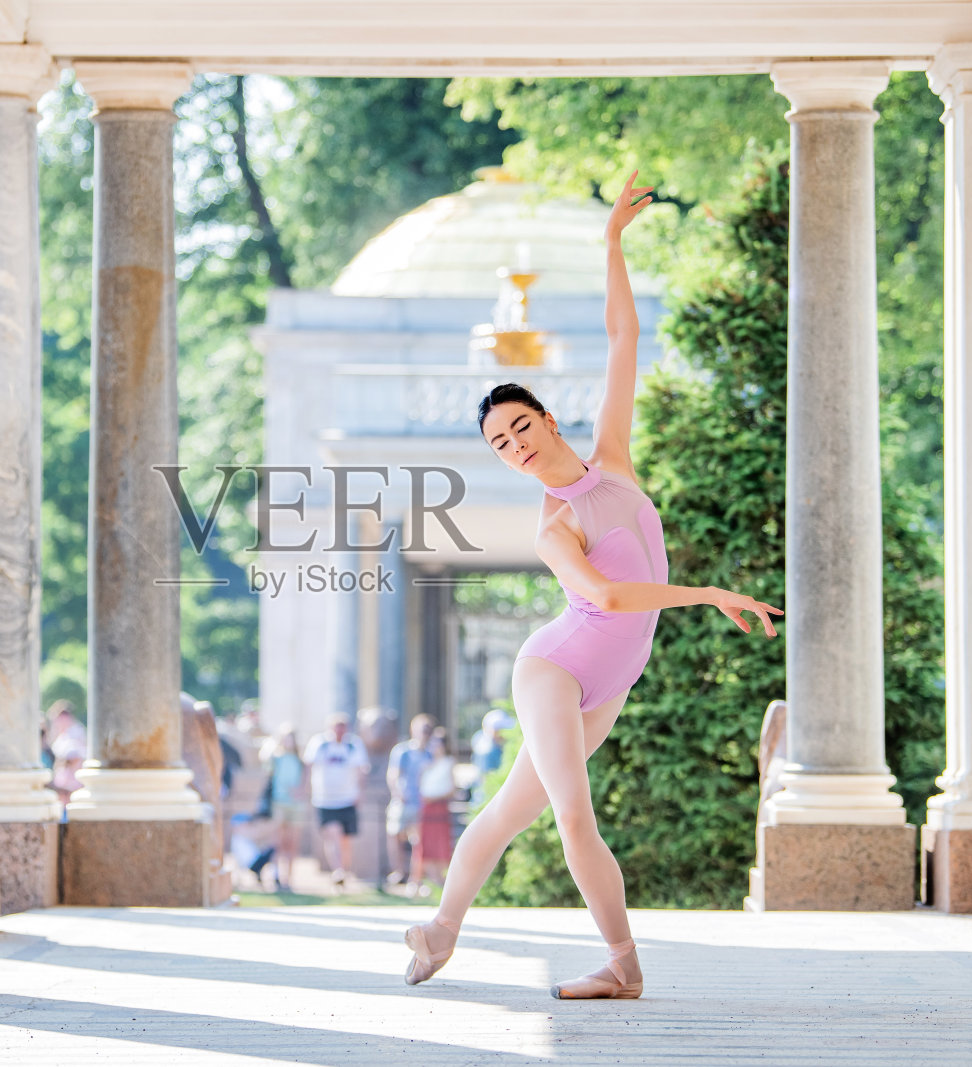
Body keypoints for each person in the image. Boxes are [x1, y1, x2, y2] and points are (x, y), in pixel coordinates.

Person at [402, 173, 782, 1000]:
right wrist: (711, 594)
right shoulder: (555, 527)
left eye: (521, 427)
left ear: (548, 420)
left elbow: (622, 340)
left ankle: (440, 929)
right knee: (572, 816)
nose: (515, 446)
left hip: (609, 679)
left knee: (507, 814)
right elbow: (607, 601)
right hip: (558, 670)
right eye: (500, 444)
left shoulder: (612, 458)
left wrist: (610, 245)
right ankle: (623, 962)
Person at [303, 713, 372, 887]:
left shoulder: (353, 744)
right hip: (325, 799)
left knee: (345, 839)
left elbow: (361, 769)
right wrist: (306, 788)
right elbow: (309, 766)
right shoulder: (320, 743)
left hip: (347, 798)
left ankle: (344, 871)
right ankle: (338, 870)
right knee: (333, 834)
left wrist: (360, 792)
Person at [385, 714, 435, 887]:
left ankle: (416, 877)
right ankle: (399, 871)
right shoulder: (403, 751)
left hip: (421, 803)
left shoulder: (430, 753)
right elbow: (393, 775)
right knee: (395, 835)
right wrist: (398, 793)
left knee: (418, 841)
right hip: (403, 801)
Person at [261, 725, 308, 892]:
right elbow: (266, 771)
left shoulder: (301, 761)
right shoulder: (275, 758)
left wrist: (299, 791)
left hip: (295, 805)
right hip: (278, 803)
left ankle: (289, 879)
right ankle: (276, 876)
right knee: (278, 843)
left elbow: (305, 782)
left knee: (292, 843)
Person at [411, 728, 457, 893]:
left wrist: (435, 797)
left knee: (440, 844)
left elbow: (452, 788)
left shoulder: (449, 762)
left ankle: (441, 880)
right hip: (426, 808)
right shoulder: (426, 764)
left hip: (439, 808)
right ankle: (429, 879)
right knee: (425, 844)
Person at [468, 708, 516, 806]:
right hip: (486, 800)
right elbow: (488, 779)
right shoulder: (488, 751)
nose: (503, 733)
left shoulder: (481, 741)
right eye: (500, 729)